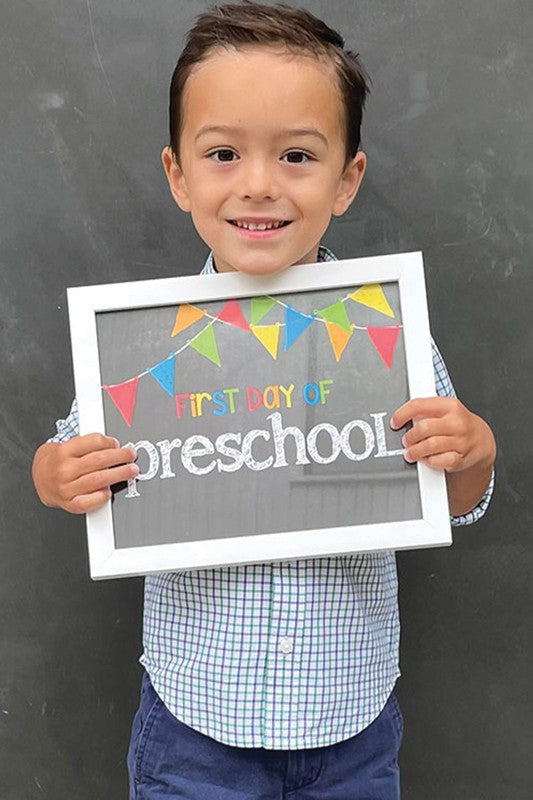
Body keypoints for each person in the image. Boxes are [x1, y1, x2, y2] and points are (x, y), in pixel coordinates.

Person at [31, 3, 496, 798]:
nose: (258, 184)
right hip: (194, 728)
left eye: (295, 155)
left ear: (346, 178)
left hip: (351, 722)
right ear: (178, 174)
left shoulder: (391, 330)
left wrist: (472, 453)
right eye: (222, 153)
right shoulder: (143, 344)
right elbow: (70, 458)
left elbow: (453, 500)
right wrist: (57, 473)